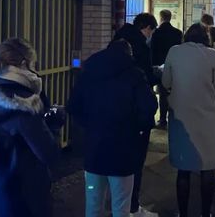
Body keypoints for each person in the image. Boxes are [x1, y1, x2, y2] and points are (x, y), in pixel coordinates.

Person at [0, 38, 64, 217]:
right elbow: (49, 154)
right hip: (24, 202)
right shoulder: (23, 104)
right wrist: (54, 124)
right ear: (23, 64)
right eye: (34, 64)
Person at [67, 40, 158, 217]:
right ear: (128, 54)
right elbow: (148, 106)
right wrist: (137, 127)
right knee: (121, 204)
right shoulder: (134, 74)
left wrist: (88, 126)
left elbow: (74, 106)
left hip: (94, 149)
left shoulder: (89, 72)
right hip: (123, 149)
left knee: (93, 202)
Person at [162, 24, 215, 217]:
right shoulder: (213, 54)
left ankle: (183, 213)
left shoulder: (174, 51)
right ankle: (205, 213)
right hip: (208, 117)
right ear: (206, 37)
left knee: (184, 169)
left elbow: (166, 82)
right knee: (207, 168)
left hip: (181, 115)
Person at [113, 12, 158, 216]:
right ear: (146, 27)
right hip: (135, 114)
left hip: (113, 114)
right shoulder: (140, 46)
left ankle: (119, 207)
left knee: (114, 163)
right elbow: (146, 79)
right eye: (151, 31)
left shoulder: (115, 41)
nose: (150, 35)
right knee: (135, 162)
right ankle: (132, 207)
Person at [151, 10, 183, 128]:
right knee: (172, 92)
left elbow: (152, 49)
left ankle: (162, 119)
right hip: (174, 66)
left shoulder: (156, 33)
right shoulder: (177, 33)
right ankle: (173, 118)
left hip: (159, 66)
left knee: (162, 93)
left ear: (161, 18)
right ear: (170, 18)